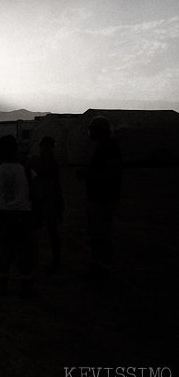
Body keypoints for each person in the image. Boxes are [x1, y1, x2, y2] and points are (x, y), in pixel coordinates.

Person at [0, 135, 36, 297]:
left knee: (4, 252)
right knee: (25, 252)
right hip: (25, 215)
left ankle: (3, 284)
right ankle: (26, 284)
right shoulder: (27, 170)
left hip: (5, 215)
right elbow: (36, 190)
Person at [76, 116, 122, 280]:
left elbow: (113, 172)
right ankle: (99, 266)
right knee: (98, 234)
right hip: (100, 198)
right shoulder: (105, 146)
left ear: (98, 131)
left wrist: (88, 174)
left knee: (101, 234)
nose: (89, 132)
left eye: (92, 129)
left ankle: (102, 269)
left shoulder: (108, 146)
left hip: (103, 199)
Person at [30, 136, 64, 273]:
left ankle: (55, 260)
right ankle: (48, 259)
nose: (46, 149)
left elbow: (57, 184)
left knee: (50, 231)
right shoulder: (39, 161)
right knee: (45, 231)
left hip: (46, 199)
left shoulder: (48, 163)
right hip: (41, 199)